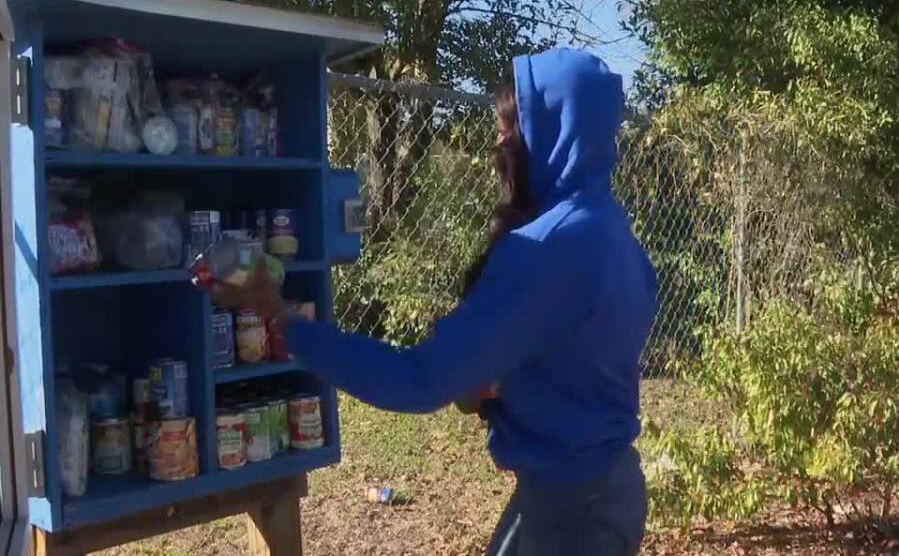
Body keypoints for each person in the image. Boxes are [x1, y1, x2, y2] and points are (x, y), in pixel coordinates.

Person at [213, 48, 659, 555]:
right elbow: (588, 343)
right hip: (608, 488)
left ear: (547, 133)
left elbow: (418, 380)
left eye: (506, 131)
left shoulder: (548, 247)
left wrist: (281, 317)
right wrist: (512, 382)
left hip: (569, 513)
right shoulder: (610, 228)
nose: (496, 147)